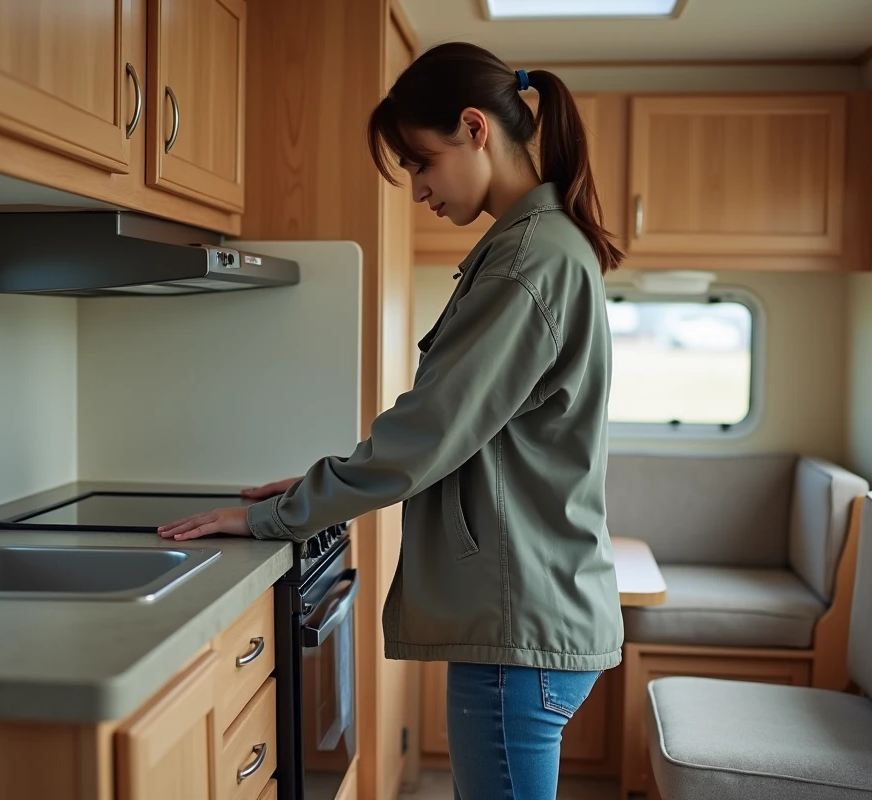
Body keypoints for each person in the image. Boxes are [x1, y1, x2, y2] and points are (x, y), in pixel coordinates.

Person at [159, 41, 625, 800]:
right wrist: (314, 489)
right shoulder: (529, 248)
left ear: (475, 128)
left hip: (518, 624)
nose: (417, 189)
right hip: (527, 612)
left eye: (420, 161)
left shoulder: (526, 262)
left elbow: (427, 436)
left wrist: (284, 514)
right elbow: (449, 431)